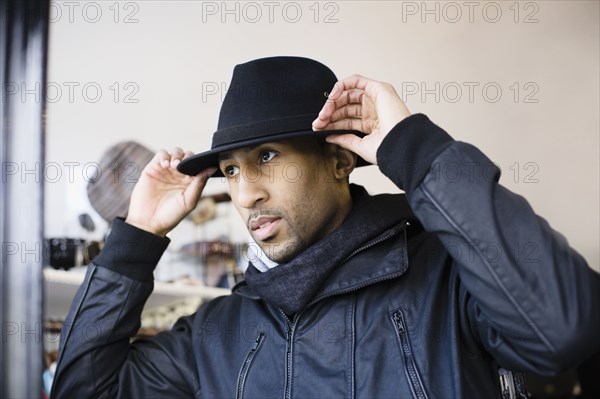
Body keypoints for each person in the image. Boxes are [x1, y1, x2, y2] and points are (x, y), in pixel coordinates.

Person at [51, 56, 600, 398]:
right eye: (230, 171)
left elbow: (565, 327)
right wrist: (135, 240)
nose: (246, 194)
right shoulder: (214, 335)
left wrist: (413, 147)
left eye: (266, 156)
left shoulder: (449, 280)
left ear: (339, 161)